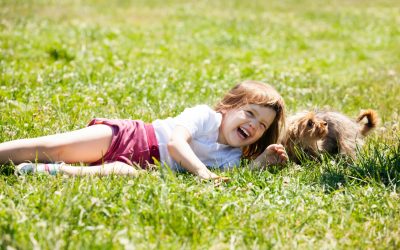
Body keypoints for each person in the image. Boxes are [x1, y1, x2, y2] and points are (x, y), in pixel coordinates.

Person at [0, 80, 288, 181]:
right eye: (250, 113)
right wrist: (202, 173)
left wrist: (262, 161)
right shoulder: (205, 116)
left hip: (143, 166)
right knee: (54, 147)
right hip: (130, 137)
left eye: (261, 125)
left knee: (123, 173)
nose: (253, 125)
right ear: (228, 107)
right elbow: (176, 143)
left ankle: (48, 172)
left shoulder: (232, 156)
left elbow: (234, 177)